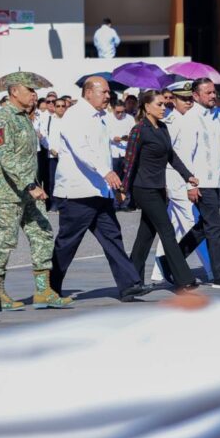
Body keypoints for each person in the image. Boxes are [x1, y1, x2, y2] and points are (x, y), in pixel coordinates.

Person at [51, 76, 146, 299]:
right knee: (67, 243)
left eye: (108, 92)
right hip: (78, 192)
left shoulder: (101, 118)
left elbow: (103, 152)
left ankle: (129, 284)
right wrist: (106, 172)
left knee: (112, 236)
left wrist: (112, 183)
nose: (108, 96)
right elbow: (81, 150)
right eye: (103, 92)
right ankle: (49, 287)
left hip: (98, 190)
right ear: (88, 92)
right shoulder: (75, 115)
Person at [0, 73, 73, 312]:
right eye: (30, 90)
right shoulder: (4, 117)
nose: (35, 94)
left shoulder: (25, 117)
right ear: (14, 92)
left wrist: (34, 184)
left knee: (43, 233)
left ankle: (43, 291)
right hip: (9, 192)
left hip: (29, 189)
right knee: (4, 240)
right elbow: (6, 158)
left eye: (35, 91)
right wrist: (30, 184)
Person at [167, 78, 220, 289]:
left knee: (203, 227)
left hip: (215, 180)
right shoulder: (190, 119)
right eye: (208, 92)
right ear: (196, 95)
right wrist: (191, 185)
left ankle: (170, 262)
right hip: (200, 181)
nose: (213, 95)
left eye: (213, 92)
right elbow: (184, 154)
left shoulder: (216, 116)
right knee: (214, 226)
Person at [124, 91, 200, 291]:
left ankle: (131, 279)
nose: (164, 107)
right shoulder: (139, 130)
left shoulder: (163, 128)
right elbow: (130, 161)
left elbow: (171, 156)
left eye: (165, 104)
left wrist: (187, 176)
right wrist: (123, 189)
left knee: (146, 235)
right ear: (147, 107)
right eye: (159, 104)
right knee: (166, 230)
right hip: (143, 188)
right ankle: (184, 278)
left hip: (158, 187)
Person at [150, 81, 215, 285]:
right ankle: (213, 268)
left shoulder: (189, 120)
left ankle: (159, 269)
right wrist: (188, 183)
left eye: (189, 98)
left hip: (183, 178)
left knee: (174, 226)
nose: (188, 102)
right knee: (194, 224)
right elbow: (172, 155)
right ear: (174, 101)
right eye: (183, 99)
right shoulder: (174, 122)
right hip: (176, 179)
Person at [104, 98, 134, 210]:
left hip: (126, 152)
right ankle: (115, 203)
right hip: (113, 152)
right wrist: (113, 138)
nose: (120, 114)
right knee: (114, 180)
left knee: (126, 179)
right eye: (118, 112)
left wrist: (127, 137)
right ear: (112, 109)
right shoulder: (106, 119)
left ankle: (125, 203)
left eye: (122, 112)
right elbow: (104, 134)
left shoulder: (129, 118)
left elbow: (133, 131)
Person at [46, 96, 69, 209]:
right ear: (54, 107)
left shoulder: (69, 120)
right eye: (58, 106)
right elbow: (44, 137)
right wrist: (51, 148)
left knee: (66, 180)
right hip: (53, 155)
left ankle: (65, 204)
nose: (60, 108)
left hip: (66, 156)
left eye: (63, 106)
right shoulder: (50, 120)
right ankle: (54, 203)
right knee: (53, 181)